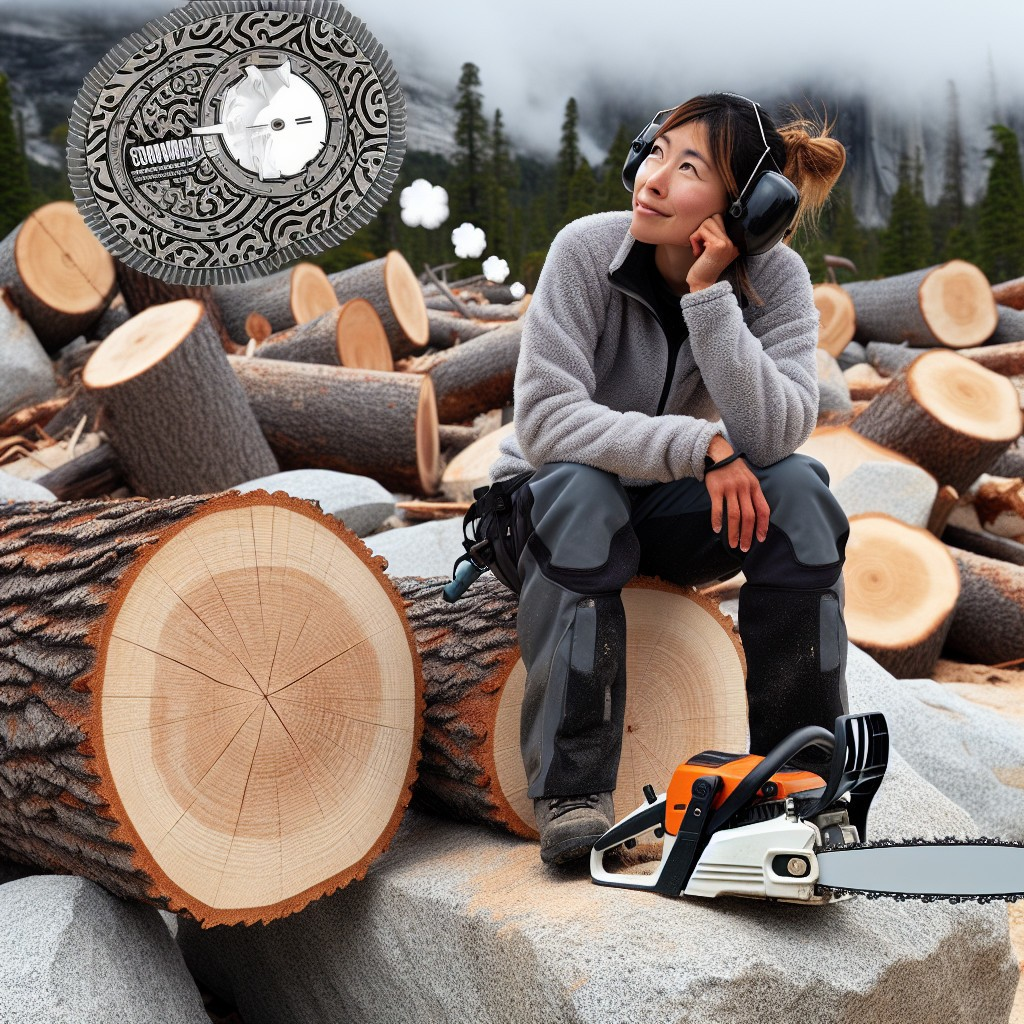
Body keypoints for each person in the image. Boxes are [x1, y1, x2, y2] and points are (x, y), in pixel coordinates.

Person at [486, 92, 850, 866]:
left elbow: (779, 432)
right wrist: (700, 447)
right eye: (655, 152)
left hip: (660, 519)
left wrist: (710, 300)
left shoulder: (775, 282)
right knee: (583, 489)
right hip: (547, 511)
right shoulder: (585, 250)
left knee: (802, 495)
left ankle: (804, 779)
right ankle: (574, 792)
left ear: (744, 211)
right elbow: (548, 424)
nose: (651, 178)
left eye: (688, 168)